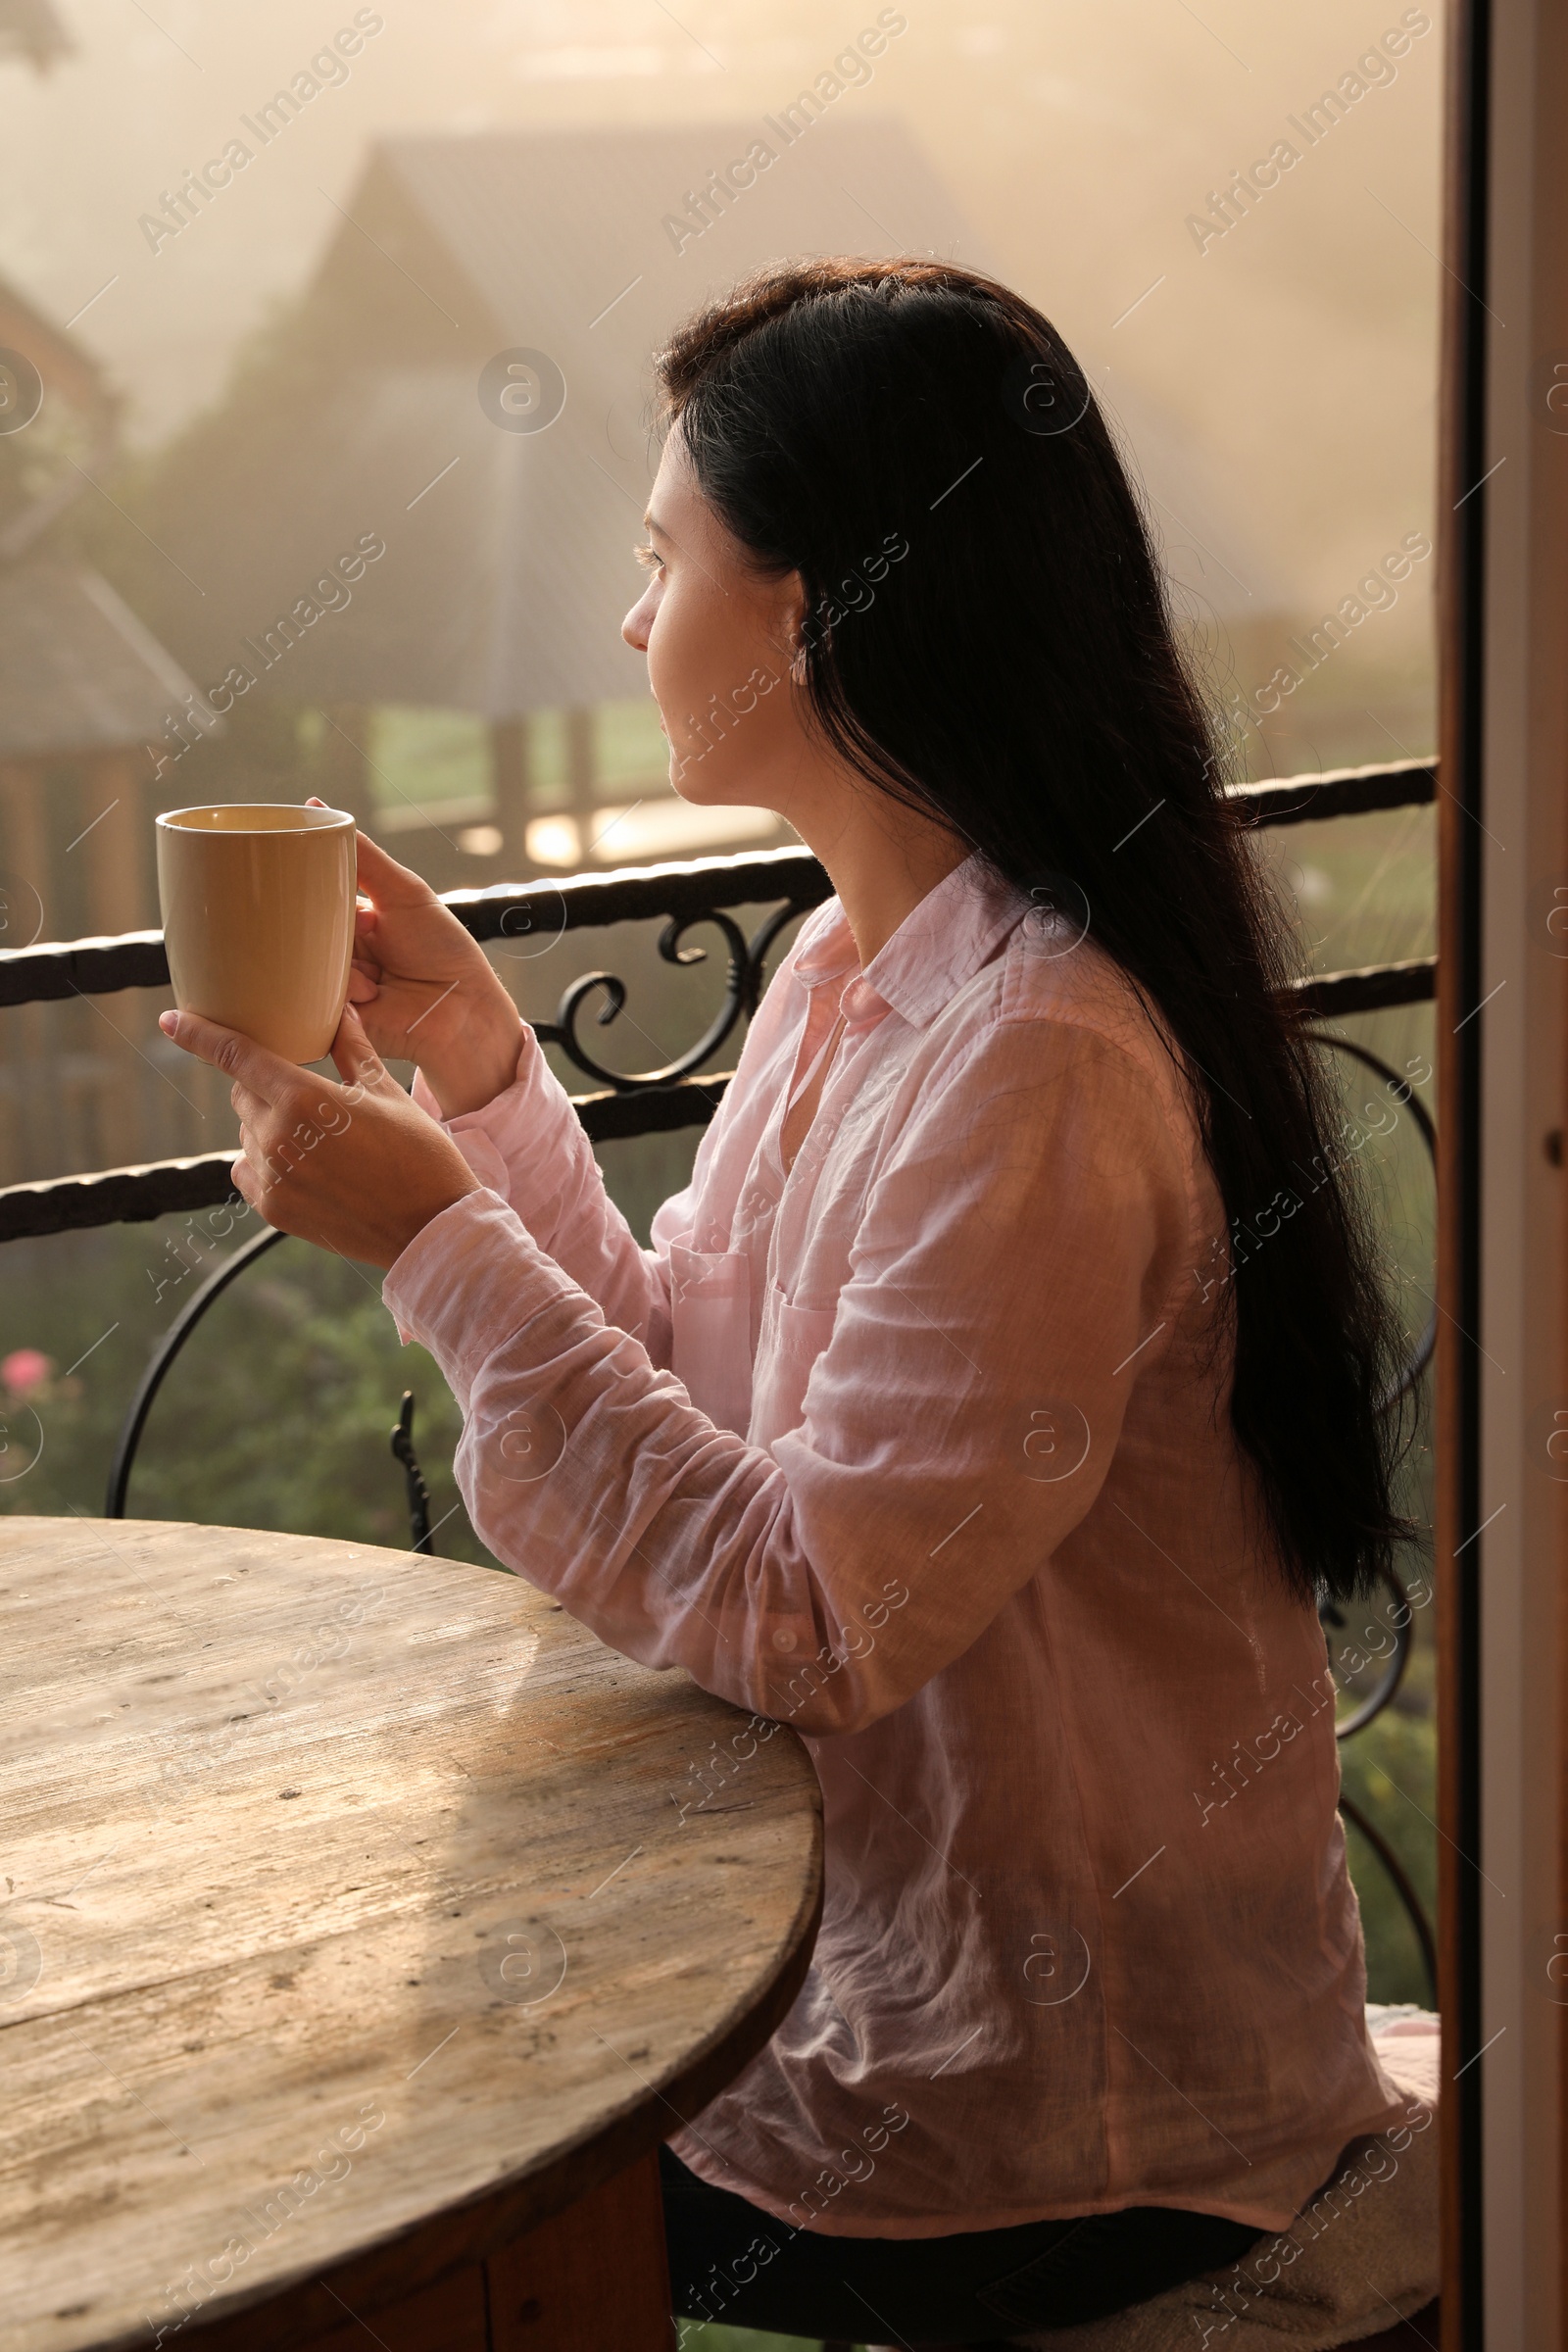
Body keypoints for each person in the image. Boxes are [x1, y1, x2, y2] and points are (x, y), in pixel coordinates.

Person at [163, 257, 1416, 2346]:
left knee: (343, 2156)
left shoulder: (1033, 1059)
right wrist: (482, 1081)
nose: (631, 620)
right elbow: (706, 1411)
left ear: (816, 610)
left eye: (663, 559)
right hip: (877, 1977)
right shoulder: (867, 978)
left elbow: (808, 1615)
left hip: (1029, 2112)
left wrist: (433, 1244)